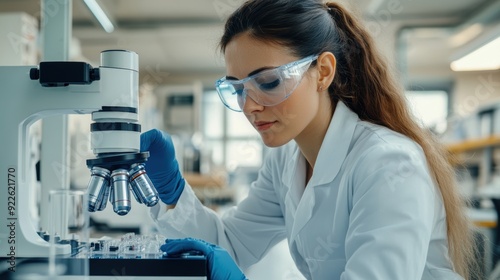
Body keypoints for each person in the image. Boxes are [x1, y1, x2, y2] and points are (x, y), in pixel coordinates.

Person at [141, 0, 479, 279]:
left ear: (324, 72)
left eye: (270, 82)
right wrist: (172, 192)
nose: (251, 106)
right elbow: (228, 246)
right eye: (237, 89)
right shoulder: (285, 160)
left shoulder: (389, 163)